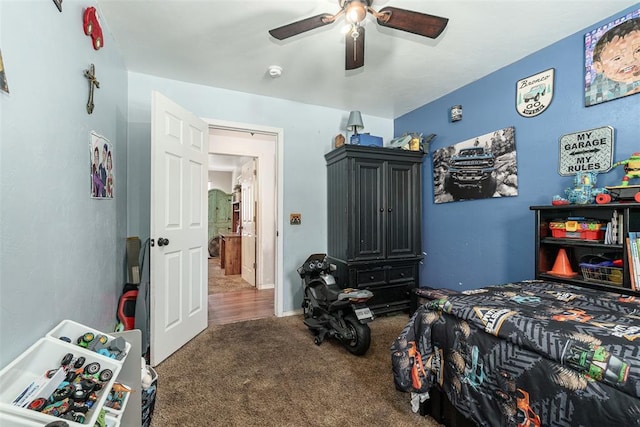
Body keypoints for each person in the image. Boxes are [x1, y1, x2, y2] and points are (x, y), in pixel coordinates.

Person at [585, 17, 640, 106]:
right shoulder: (598, 89)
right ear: (599, 66)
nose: (630, 61)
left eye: (638, 50)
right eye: (617, 58)